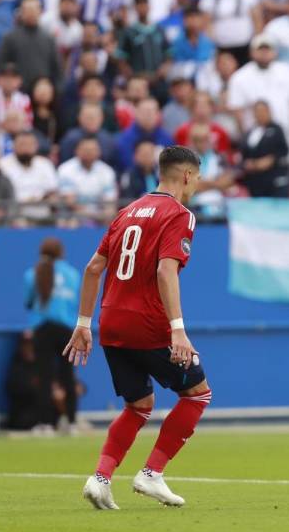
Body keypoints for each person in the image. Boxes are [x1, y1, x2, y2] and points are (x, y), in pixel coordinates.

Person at [64, 146, 209, 510]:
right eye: (197, 178)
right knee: (197, 394)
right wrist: (178, 329)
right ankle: (151, 474)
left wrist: (83, 323)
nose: (196, 184)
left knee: (138, 405)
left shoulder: (126, 212)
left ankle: (100, 479)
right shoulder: (180, 215)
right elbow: (165, 270)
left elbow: (93, 268)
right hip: (148, 323)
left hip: (112, 322)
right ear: (187, 176)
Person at [25, 238, 81, 432]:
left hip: (42, 328)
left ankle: (45, 423)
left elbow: (28, 302)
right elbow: (75, 303)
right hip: (66, 329)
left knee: (44, 377)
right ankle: (71, 422)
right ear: (61, 253)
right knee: (68, 376)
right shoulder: (73, 274)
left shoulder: (33, 273)